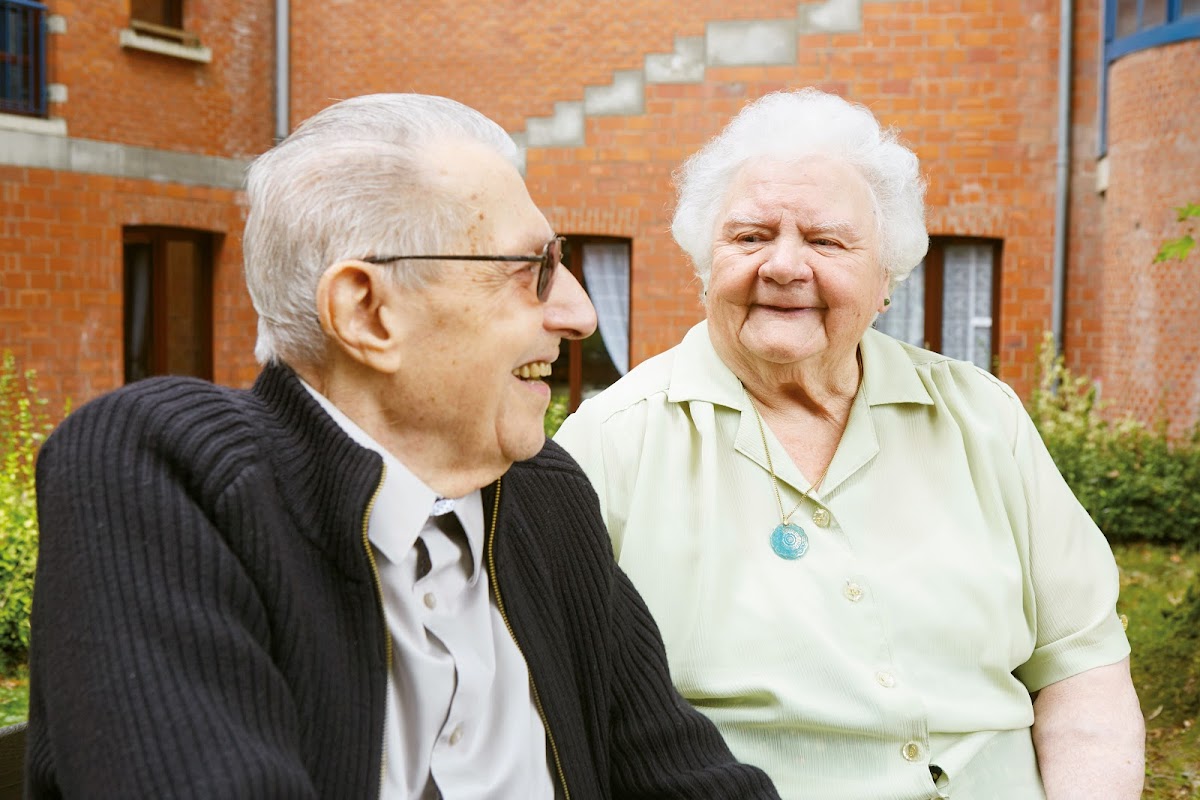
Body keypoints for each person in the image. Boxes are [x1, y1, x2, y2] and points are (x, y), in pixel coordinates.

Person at [27, 93, 781, 800]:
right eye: (534, 270)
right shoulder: (166, 474)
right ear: (367, 313)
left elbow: (690, 780)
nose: (580, 314)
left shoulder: (544, 494)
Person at [555, 88, 1144, 800]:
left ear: (886, 279)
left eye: (825, 241)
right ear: (705, 265)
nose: (783, 266)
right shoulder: (611, 442)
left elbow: (1083, 668)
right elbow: (551, 708)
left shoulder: (982, 418)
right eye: (750, 237)